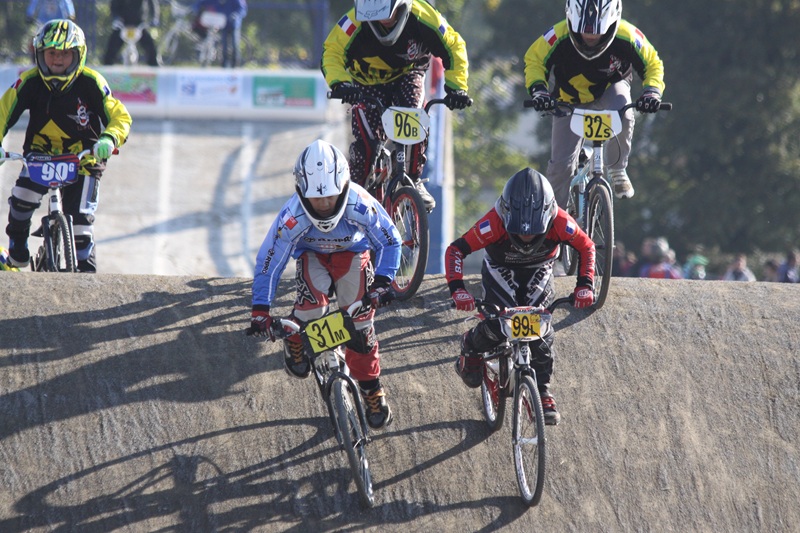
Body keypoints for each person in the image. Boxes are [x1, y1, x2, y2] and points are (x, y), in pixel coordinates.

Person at [246, 140, 402, 430]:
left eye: (330, 196)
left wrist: (382, 282)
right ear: (301, 193)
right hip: (312, 256)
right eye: (317, 199)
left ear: (344, 186)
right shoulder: (291, 218)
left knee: (361, 324)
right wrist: (260, 309)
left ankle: (371, 390)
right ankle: (296, 334)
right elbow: (269, 261)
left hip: (353, 255)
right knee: (311, 310)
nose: (325, 204)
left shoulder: (361, 203)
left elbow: (391, 240)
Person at [444, 168, 596, 425]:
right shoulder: (492, 223)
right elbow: (456, 250)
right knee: (499, 323)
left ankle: (543, 389)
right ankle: (470, 344)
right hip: (501, 268)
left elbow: (587, 246)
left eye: (533, 232)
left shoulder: (561, 220)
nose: (526, 238)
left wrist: (585, 284)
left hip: (540, 269)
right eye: (520, 232)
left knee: (541, 328)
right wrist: (457, 290)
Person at [1, 19, 132, 273]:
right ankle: (17, 252)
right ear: (40, 55)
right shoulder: (28, 82)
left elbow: (120, 116)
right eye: (51, 53)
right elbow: (2, 113)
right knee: (20, 200)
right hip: (40, 157)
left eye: (64, 54)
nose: (57, 60)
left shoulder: (91, 82)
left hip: (84, 159)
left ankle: (85, 281)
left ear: (78, 55)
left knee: (82, 228)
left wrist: (108, 139)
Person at [321, 0, 471, 212]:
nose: (383, 21)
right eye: (374, 16)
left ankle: (414, 180)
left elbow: (454, 45)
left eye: (388, 15)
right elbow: (332, 51)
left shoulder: (423, 15)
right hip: (366, 83)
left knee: (415, 115)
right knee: (366, 149)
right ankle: (354, 199)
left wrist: (458, 88)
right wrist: (341, 83)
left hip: (408, 75)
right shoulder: (353, 20)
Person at [524, 0, 665, 204]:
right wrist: (539, 91)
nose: (590, 38)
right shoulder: (557, 34)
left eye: (598, 32)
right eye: (583, 32)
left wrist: (652, 92)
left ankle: (618, 170)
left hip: (610, 89)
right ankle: (556, 226)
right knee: (559, 170)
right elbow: (534, 59)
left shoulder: (628, 34)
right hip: (568, 99)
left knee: (625, 113)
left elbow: (653, 63)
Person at [103, 0, 160, 67]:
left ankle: (155, 69)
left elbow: (152, 3)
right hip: (122, 24)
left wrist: (154, 18)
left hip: (139, 24)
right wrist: (116, 18)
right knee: (111, 50)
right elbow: (114, 6)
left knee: (150, 48)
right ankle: (107, 69)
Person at [192, 0, 248, 68]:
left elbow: (242, 9)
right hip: (223, 25)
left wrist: (236, 15)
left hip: (233, 25)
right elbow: (201, 3)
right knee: (224, 46)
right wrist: (196, 9)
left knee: (234, 45)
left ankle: (235, 65)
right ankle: (224, 65)